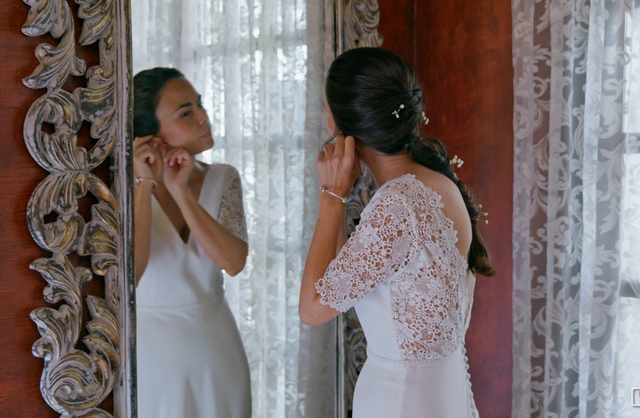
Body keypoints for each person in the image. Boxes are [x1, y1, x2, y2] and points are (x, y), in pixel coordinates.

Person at [299, 48, 495, 417]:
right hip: (437, 396)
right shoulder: (438, 183)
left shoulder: (399, 203)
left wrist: (331, 197)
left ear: (342, 127)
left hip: (400, 401)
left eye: (327, 111)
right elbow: (345, 281)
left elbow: (312, 310)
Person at [133, 68, 251, 418]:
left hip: (217, 355)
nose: (203, 117)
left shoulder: (223, 177)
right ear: (151, 134)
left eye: (199, 105)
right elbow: (130, 276)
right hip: (151, 362)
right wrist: (145, 186)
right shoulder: (124, 186)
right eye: (186, 112)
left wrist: (181, 191)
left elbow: (234, 262)